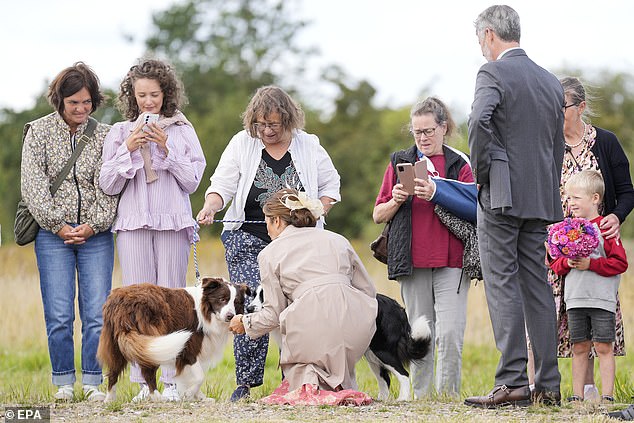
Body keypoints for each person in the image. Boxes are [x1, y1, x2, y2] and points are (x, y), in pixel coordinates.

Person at [196, 85, 340, 401]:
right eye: (260, 125)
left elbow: (331, 185)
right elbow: (221, 185)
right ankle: (245, 384)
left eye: (274, 124)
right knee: (252, 304)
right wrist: (211, 206)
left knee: (300, 309)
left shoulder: (309, 146)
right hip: (246, 236)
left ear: (288, 121)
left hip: (298, 242)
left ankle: (300, 379)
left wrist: (318, 210)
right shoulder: (241, 144)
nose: (267, 131)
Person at [464, 5, 564, 408]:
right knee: (538, 286)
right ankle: (548, 385)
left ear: (489, 34)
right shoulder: (550, 81)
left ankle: (513, 381)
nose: (481, 48)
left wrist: (485, 174)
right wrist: (546, 184)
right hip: (541, 195)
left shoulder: (492, 73)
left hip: (501, 197)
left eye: (479, 40)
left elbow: (477, 121)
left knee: (503, 284)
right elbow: (554, 145)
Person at [99, 58, 206, 401]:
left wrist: (165, 148)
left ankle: (174, 383)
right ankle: (144, 384)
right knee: (138, 307)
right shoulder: (118, 132)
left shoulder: (182, 130)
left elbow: (191, 181)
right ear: (132, 95)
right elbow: (107, 184)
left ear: (166, 94)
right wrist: (129, 149)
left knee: (172, 302)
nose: (148, 101)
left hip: (172, 223)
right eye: (142, 94)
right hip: (133, 225)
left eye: (155, 95)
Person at [528, 76, 634, 400]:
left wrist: (616, 217)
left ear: (581, 107)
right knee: (541, 314)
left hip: (595, 248)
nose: (555, 113)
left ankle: (588, 392)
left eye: (561, 107)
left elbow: (627, 191)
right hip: (553, 247)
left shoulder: (606, 143)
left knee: (588, 318)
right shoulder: (545, 144)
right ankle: (537, 388)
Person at [20, 62, 118, 401]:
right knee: (59, 313)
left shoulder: (106, 135)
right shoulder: (38, 132)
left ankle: (92, 382)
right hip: (52, 236)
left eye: (87, 102)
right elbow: (32, 186)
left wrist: (94, 225)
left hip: (97, 235)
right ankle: (63, 381)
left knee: (95, 313)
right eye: (73, 102)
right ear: (59, 100)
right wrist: (59, 225)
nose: (80, 109)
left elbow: (110, 185)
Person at [228, 189, 377, 405]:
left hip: (312, 330)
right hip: (356, 329)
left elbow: (273, 314)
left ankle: (314, 385)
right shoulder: (338, 239)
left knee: (306, 357)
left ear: (277, 221)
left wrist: (245, 322)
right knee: (327, 335)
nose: (267, 229)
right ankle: (337, 383)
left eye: (267, 222)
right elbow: (368, 291)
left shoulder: (269, 253)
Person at [372, 96, 476, 398]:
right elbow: (378, 214)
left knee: (451, 334)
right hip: (412, 261)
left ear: (444, 128)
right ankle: (420, 398)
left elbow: (477, 209)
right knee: (419, 332)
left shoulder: (460, 162)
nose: (423, 138)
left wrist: (436, 192)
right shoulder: (400, 160)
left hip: (453, 260)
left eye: (428, 131)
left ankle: (448, 397)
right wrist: (396, 199)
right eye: (417, 132)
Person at [548, 170, 627, 403]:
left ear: (595, 198)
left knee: (603, 347)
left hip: (601, 300)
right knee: (579, 347)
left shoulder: (606, 228)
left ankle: (607, 396)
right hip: (575, 300)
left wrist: (590, 263)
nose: (570, 203)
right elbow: (556, 264)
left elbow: (620, 263)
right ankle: (577, 396)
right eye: (568, 198)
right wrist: (567, 261)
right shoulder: (566, 230)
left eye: (575, 198)